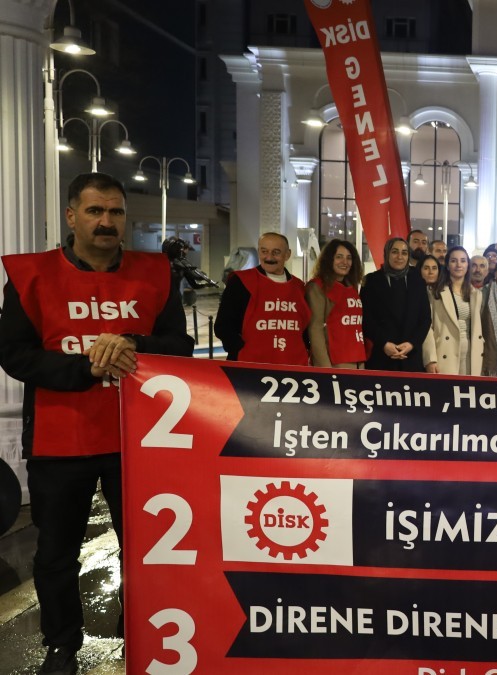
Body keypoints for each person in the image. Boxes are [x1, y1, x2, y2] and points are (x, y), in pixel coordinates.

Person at [0, 172, 194, 675]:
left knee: (146, 551)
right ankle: (63, 644)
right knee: (55, 554)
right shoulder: (31, 275)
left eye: (115, 212)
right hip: (60, 439)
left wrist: (134, 343)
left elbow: (181, 346)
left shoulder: (156, 273)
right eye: (94, 211)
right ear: (71, 216)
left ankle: (142, 636)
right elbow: (14, 354)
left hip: (141, 438)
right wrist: (85, 368)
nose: (106, 221)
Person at [214, 231, 310, 365]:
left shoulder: (299, 287)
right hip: (250, 364)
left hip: (293, 363)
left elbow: (305, 327)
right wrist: (239, 350)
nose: (269, 257)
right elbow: (223, 325)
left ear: (287, 254)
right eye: (264, 251)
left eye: (276, 252)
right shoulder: (241, 282)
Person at [360, 237, 431, 372]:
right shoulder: (371, 281)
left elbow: (425, 318)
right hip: (381, 356)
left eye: (404, 253)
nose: (400, 257)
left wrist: (412, 344)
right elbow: (366, 318)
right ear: (386, 254)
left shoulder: (418, 281)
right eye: (394, 252)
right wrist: (383, 343)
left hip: (411, 357)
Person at [423, 246, 485, 375]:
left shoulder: (476, 294)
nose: (458, 265)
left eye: (463, 261)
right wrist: (430, 359)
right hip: (444, 351)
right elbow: (427, 327)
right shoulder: (434, 292)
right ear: (447, 265)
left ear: (468, 265)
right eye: (453, 261)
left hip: (470, 352)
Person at [306, 239, 365, 369]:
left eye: (349, 258)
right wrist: (325, 368)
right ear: (329, 260)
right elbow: (315, 329)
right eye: (339, 257)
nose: (345, 262)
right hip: (335, 362)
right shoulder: (318, 287)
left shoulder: (351, 287)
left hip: (357, 358)